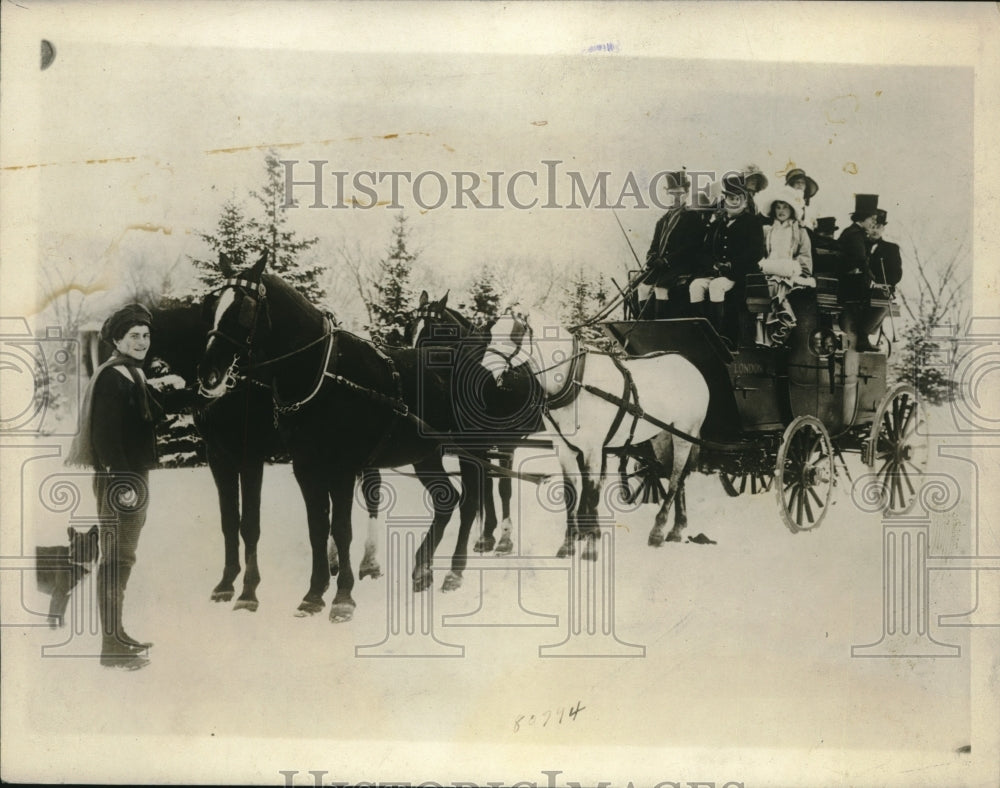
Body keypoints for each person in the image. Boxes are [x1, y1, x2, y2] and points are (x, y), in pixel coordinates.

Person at [67, 303, 181, 670]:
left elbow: (153, 413)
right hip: (121, 481)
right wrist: (122, 481)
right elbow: (105, 437)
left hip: (132, 478)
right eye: (134, 336)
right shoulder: (114, 377)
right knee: (116, 559)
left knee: (122, 557)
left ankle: (116, 636)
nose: (142, 342)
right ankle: (111, 646)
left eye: (146, 336)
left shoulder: (133, 375)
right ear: (118, 339)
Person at [690, 173, 765, 343]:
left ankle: (720, 335)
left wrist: (731, 265)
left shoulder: (752, 222)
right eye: (730, 197)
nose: (734, 201)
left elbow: (755, 252)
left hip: (740, 275)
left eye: (738, 197)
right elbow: (705, 251)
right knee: (695, 286)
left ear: (744, 199)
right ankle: (700, 333)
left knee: (716, 286)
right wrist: (713, 265)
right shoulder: (718, 224)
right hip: (718, 272)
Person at [640, 170, 706, 319]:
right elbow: (654, 245)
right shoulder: (662, 221)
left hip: (682, 264)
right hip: (662, 266)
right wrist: (651, 257)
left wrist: (667, 260)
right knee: (642, 288)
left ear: (686, 194)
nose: (675, 198)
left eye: (679, 194)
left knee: (660, 287)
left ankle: (660, 328)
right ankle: (645, 327)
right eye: (671, 194)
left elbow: (691, 247)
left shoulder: (692, 218)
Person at [755, 187, 815, 347]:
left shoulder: (800, 232)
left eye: (785, 207)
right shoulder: (768, 231)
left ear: (792, 210)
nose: (781, 211)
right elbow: (761, 255)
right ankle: (768, 337)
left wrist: (790, 269)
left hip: (791, 275)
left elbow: (805, 261)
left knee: (777, 287)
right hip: (770, 272)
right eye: (778, 207)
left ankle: (783, 329)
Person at [837, 194, 882, 350]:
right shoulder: (855, 235)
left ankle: (863, 336)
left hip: (849, 281)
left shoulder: (855, 233)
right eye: (872, 219)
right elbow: (860, 259)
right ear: (863, 218)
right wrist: (872, 279)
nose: (873, 223)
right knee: (882, 297)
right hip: (848, 284)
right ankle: (863, 337)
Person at [859, 208, 903, 345]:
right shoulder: (858, 245)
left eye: (879, 227)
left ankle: (863, 336)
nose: (875, 230)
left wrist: (885, 284)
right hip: (860, 290)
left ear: (883, 228)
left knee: (881, 305)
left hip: (879, 292)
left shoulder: (891, 249)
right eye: (872, 226)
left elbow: (896, 273)